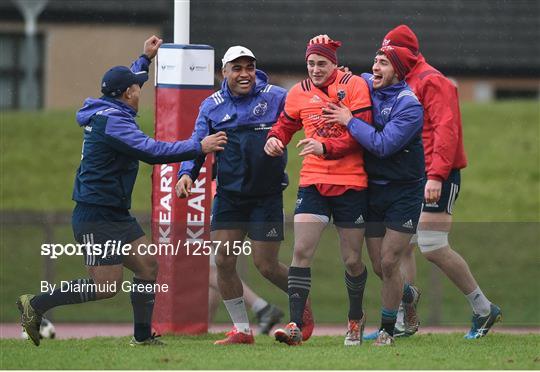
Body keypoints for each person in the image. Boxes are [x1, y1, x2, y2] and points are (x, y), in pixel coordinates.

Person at [16, 35, 227, 347]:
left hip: (115, 213)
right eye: (136, 87)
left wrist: (145, 59)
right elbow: (152, 151)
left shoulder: (107, 107)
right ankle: (36, 304)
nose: (139, 90)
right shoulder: (114, 123)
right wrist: (200, 145)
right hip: (95, 215)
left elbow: (129, 78)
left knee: (148, 266)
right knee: (105, 286)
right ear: (129, 94)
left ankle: (142, 337)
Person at [175, 46, 313, 345]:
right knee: (224, 260)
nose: (244, 74)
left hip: (266, 196)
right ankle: (241, 329)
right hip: (230, 196)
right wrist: (187, 173)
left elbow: (307, 113)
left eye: (249, 67)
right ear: (223, 72)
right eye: (236, 68)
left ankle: (301, 302)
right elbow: (198, 143)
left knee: (266, 266)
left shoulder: (275, 97)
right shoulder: (210, 107)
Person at [379, 25, 502, 339]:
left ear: (404, 54)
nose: (386, 60)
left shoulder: (432, 80)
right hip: (412, 176)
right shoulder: (406, 80)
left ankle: (484, 309)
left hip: (437, 174)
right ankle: (408, 321)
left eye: (390, 54)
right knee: (402, 245)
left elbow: (446, 130)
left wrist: (436, 175)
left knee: (432, 246)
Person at [265, 36, 372, 346]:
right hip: (313, 181)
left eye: (322, 63)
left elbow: (361, 133)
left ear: (334, 64)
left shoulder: (353, 86)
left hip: (351, 183)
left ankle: (355, 319)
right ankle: (296, 324)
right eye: (311, 63)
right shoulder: (297, 93)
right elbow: (284, 125)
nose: (315, 69)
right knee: (301, 252)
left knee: (352, 259)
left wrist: (325, 147)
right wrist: (274, 139)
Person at [323, 44, 424, 346]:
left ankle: (387, 331)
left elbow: (382, 145)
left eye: (384, 63)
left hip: (404, 192)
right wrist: (327, 49)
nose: (375, 67)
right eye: (375, 60)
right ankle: (408, 294)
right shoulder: (365, 83)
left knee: (390, 261)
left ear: (399, 71)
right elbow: (330, 78)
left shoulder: (410, 106)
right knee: (380, 266)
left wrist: (349, 121)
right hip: (372, 189)